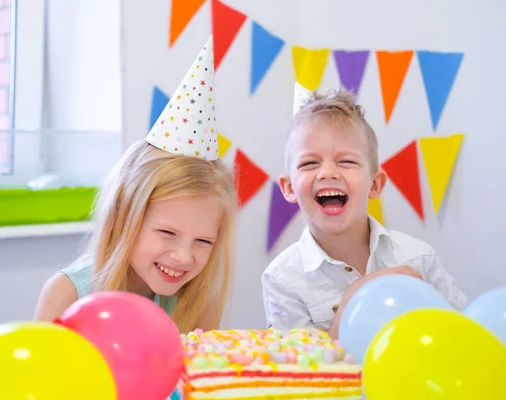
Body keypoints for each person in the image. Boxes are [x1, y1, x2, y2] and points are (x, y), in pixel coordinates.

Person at [34, 37, 237, 334]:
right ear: (122, 216)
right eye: (167, 232)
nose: (183, 257)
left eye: (203, 241)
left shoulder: (196, 301)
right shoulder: (67, 297)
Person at [261, 87, 467, 339]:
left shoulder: (419, 259)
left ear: (375, 184)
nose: (328, 172)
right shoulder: (282, 280)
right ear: (289, 188)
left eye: (346, 161)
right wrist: (356, 296)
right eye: (309, 163)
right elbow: (308, 370)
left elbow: (462, 335)